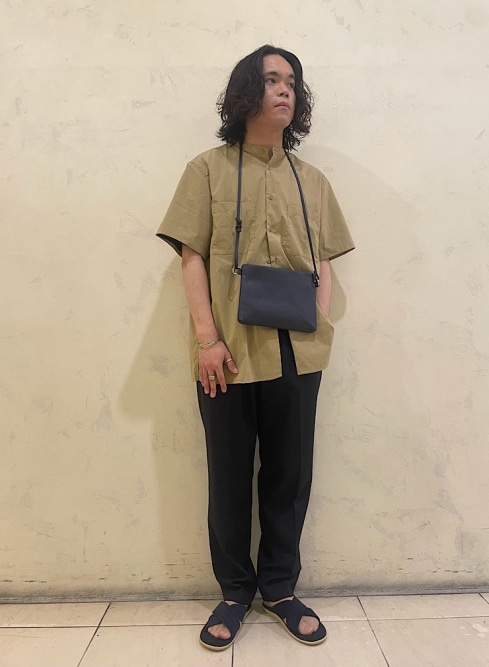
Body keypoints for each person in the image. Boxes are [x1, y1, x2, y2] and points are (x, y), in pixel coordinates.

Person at [157, 44, 354, 651]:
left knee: (290, 476)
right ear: (247, 92)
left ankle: (281, 589)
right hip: (228, 354)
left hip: (298, 353)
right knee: (229, 475)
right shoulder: (206, 170)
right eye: (271, 80)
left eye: (291, 81)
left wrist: (319, 322)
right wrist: (207, 338)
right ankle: (235, 592)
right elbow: (192, 256)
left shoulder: (312, 180)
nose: (284, 89)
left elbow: (324, 259)